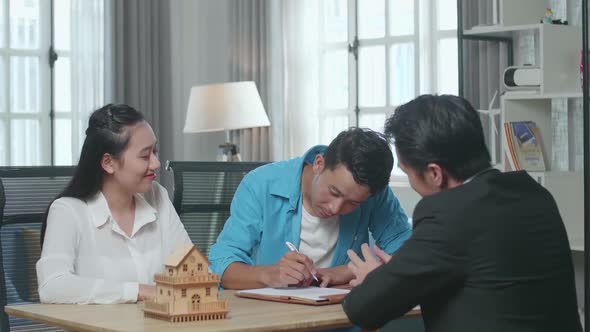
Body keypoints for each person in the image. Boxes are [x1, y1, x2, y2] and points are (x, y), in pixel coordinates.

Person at [343, 95, 582, 332]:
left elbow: (362, 308)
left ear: (434, 173)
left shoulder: (447, 214)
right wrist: (398, 272)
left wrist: (375, 280)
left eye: (408, 173)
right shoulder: (534, 194)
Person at [208, 128, 412, 289]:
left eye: (354, 203)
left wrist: (345, 271)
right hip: (274, 320)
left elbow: (408, 250)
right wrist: (268, 275)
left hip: (343, 318)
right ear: (319, 163)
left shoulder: (374, 193)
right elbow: (221, 265)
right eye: (334, 192)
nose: (336, 208)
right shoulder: (261, 184)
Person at [37, 104, 192, 304]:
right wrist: (139, 291)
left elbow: (191, 270)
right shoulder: (68, 210)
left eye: (155, 152)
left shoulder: (157, 196)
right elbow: (52, 286)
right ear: (108, 163)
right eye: (145, 156)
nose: (156, 164)